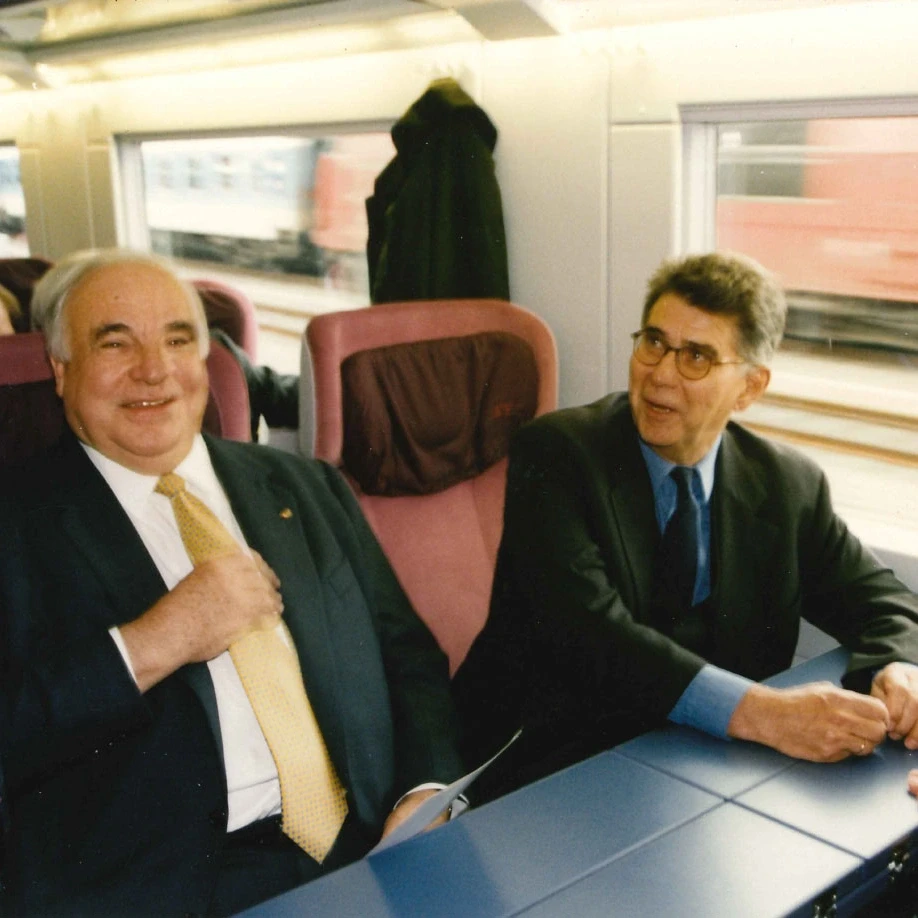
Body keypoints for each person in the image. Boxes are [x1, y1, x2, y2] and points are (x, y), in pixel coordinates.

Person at [0, 249, 464, 917]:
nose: (153, 369)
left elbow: (408, 659)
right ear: (61, 368)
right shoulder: (17, 523)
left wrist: (425, 792)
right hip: (156, 893)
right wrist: (152, 642)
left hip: (366, 850)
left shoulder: (305, 486)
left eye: (177, 340)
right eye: (115, 343)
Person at [452, 250, 918, 801]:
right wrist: (769, 715)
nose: (660, 374)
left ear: (750, 387)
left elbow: (884, 601)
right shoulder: (557, 453)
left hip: (700, 765)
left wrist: (899, 668)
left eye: (696, 356)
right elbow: (592, 636)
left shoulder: (787, 485)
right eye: (653, 342)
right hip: (549, 762)